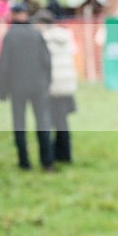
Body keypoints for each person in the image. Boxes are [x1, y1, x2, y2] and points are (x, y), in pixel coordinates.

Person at [0, 2, 54, 171]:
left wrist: (3, 90)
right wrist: (47, 82)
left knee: (19, 125)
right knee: (42, 123)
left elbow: (4, 66)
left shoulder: (9, 36)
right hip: (38, 86)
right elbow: (47, 61)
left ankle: (24, 163)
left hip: (17, 87)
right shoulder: (36, 34)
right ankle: (47, 162)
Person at [33, 10, 77, 163]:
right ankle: (65, 154)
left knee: (50, 121)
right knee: (62, 120)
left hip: (52, 84)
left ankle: (54, 153)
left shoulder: (43, 38)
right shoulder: (65, 36)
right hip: (66, 83)